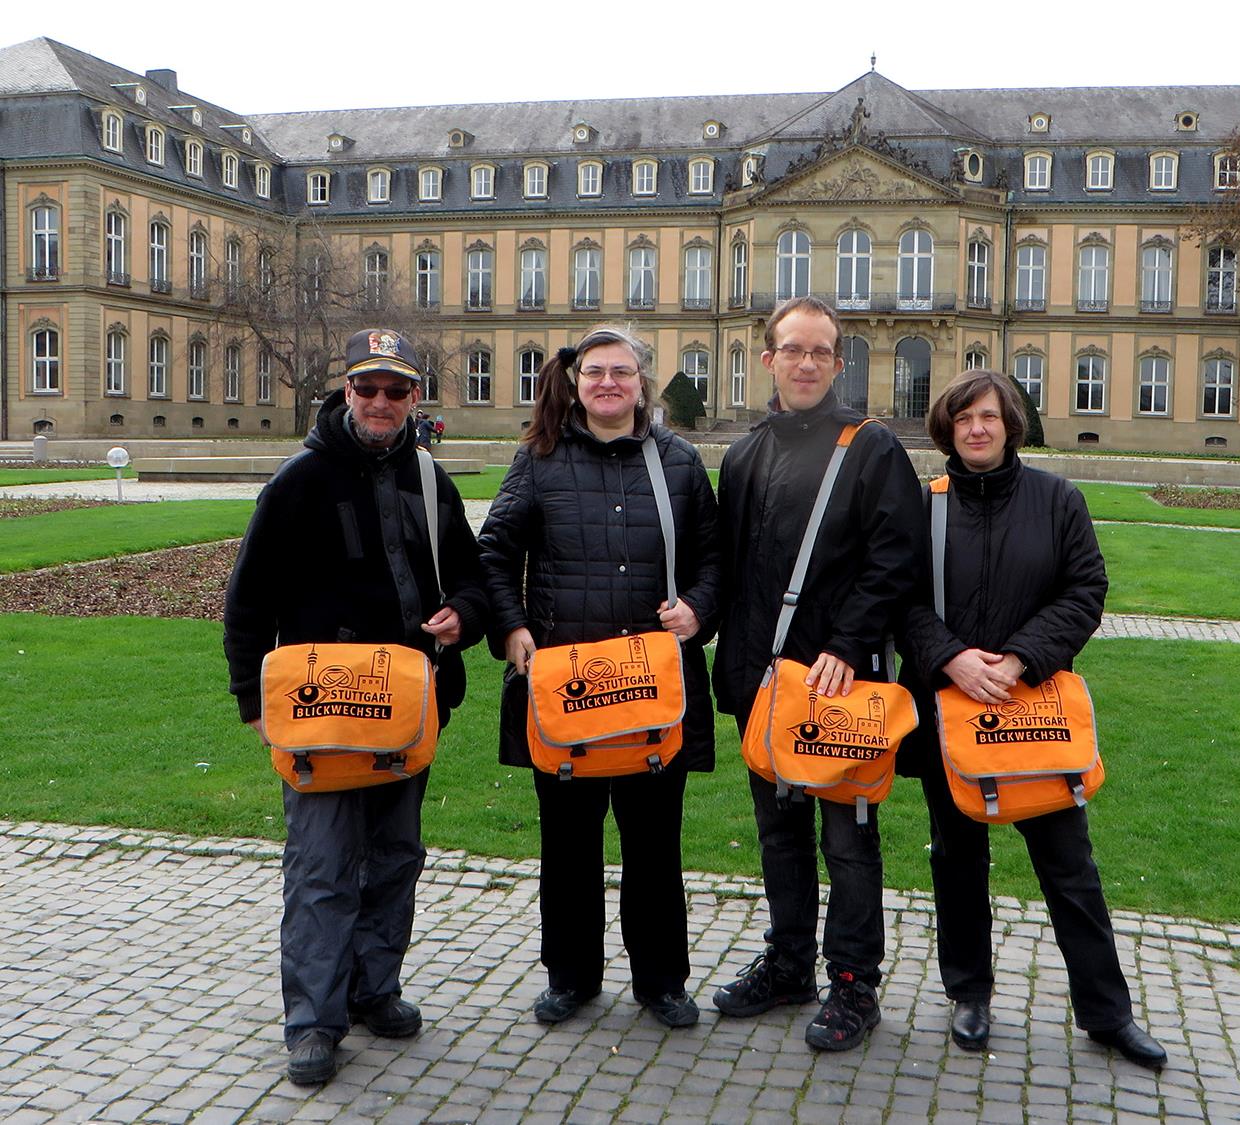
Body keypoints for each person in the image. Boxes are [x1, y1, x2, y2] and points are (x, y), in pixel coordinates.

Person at [223, 328, 490, 1086]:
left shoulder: (429, 476)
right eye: (367, 387)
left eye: (396, 389)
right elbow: (248, 599)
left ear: (414, 398)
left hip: (407, 704)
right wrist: (252, 696)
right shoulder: (301, 478)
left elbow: (470, 576)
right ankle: (314, 1019)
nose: (380, 401)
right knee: (323, 864)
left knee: (396, 856)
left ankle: (375, 987)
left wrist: (462, 616)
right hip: (326, 710)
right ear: (346, 391)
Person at [897, 368, 1167, 1069]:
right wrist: (953, 659)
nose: (977, 428)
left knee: (1069, 866)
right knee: (957, 860)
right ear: (947, 430)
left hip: (1035, 713)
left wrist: (1018, 660)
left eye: (988, 415)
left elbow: (1086, 589)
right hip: (949, 712)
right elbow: (899, 599)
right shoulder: (923, 506)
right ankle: (970, 994)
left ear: (1010, 422)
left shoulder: (1056, 500)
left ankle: (1108, 1013)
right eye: (963, 419)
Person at [476, 325, 720, 1029]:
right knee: (569, 847)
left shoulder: (677, 460)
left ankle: (661, 980)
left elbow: (714, 557)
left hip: (652, 688)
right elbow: (495, 553)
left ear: (643, 381)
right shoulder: (539, 459)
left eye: (621, 371)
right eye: (594, 372)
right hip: (565, 684)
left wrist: (698, 607)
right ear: (576, 381)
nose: (608, 383)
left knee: (653, 845)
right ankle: (572, 976)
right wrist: (513, 628)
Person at [710, 296, 923, 1052]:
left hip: (841, 681)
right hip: (764, 685)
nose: (805, 363)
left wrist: (849, 638)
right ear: (766, 359)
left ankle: (853, 983)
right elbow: (730, 571)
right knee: (779, 834)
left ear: (839, 362)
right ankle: (791, 961)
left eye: (820, 352)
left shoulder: (870, 447)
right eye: (791, 350)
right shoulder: (745, 453)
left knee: (848, 839)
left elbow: (896, 560)